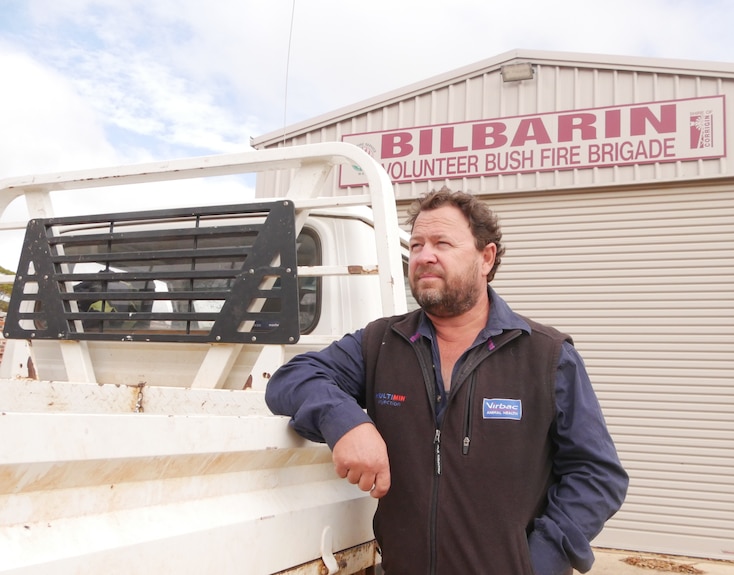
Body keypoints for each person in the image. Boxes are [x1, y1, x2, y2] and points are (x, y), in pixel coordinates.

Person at [265, 188, 628, 574]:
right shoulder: (382, 343)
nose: (424, 256)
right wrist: (345, 421)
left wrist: (541, 561)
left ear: (485, 257)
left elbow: (597, 474)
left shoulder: (547, 356)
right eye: (418, 244)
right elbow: (292, 378)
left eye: (442, 243)